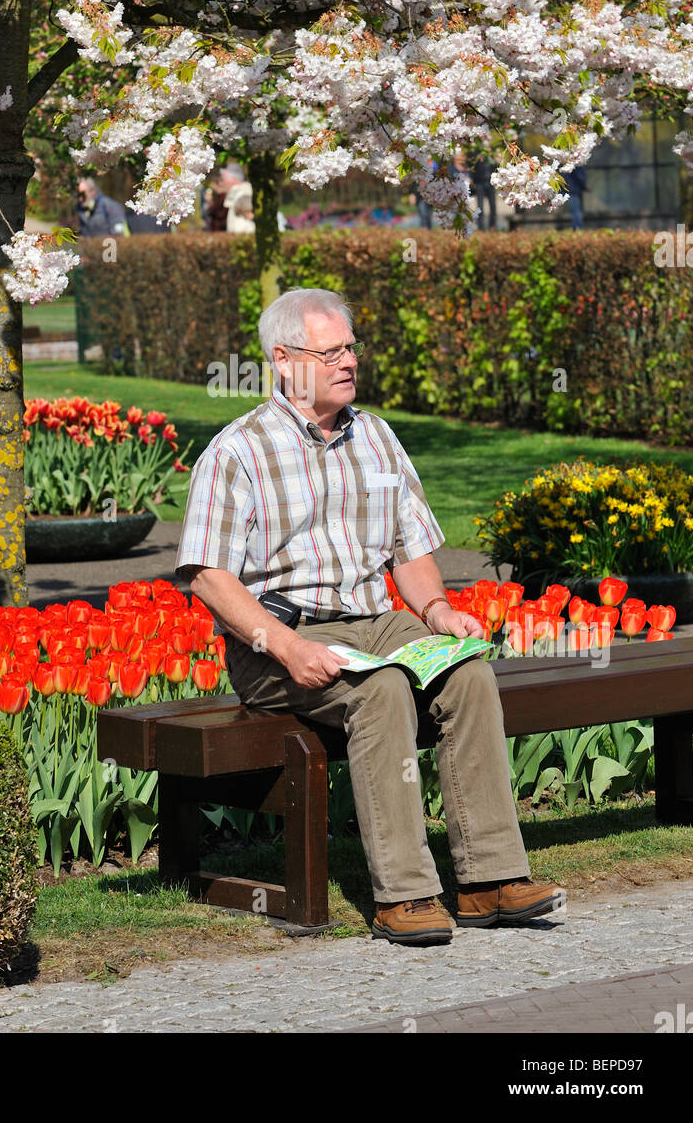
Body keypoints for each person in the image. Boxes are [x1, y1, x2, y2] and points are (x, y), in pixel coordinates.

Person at [175, 287, 563, 947]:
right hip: (280, 636)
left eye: (350, 347)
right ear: (283, 359)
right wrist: (287, 647)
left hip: (375, 622)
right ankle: (403, 894)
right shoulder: (237, 451)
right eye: (330, 352)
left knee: (467, 675)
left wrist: (439, 611)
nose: (347, 362)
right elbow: (207, 575)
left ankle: (488, 880)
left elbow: (408, 549)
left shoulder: (377, 436)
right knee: (380, 692)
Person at [202, 164, 244, 232]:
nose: (221, 184)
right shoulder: (226, 195)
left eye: (223, 180)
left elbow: (219, 214)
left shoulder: (240, 193)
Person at [562, 166, 587, 230]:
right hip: (573, 189)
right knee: (575, 211)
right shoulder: (576, 164)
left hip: (571, 189)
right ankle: (578, 227)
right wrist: (584, 186)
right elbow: (580, 176)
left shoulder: (571, 163)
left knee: (575, 211)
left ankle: (577, 227)